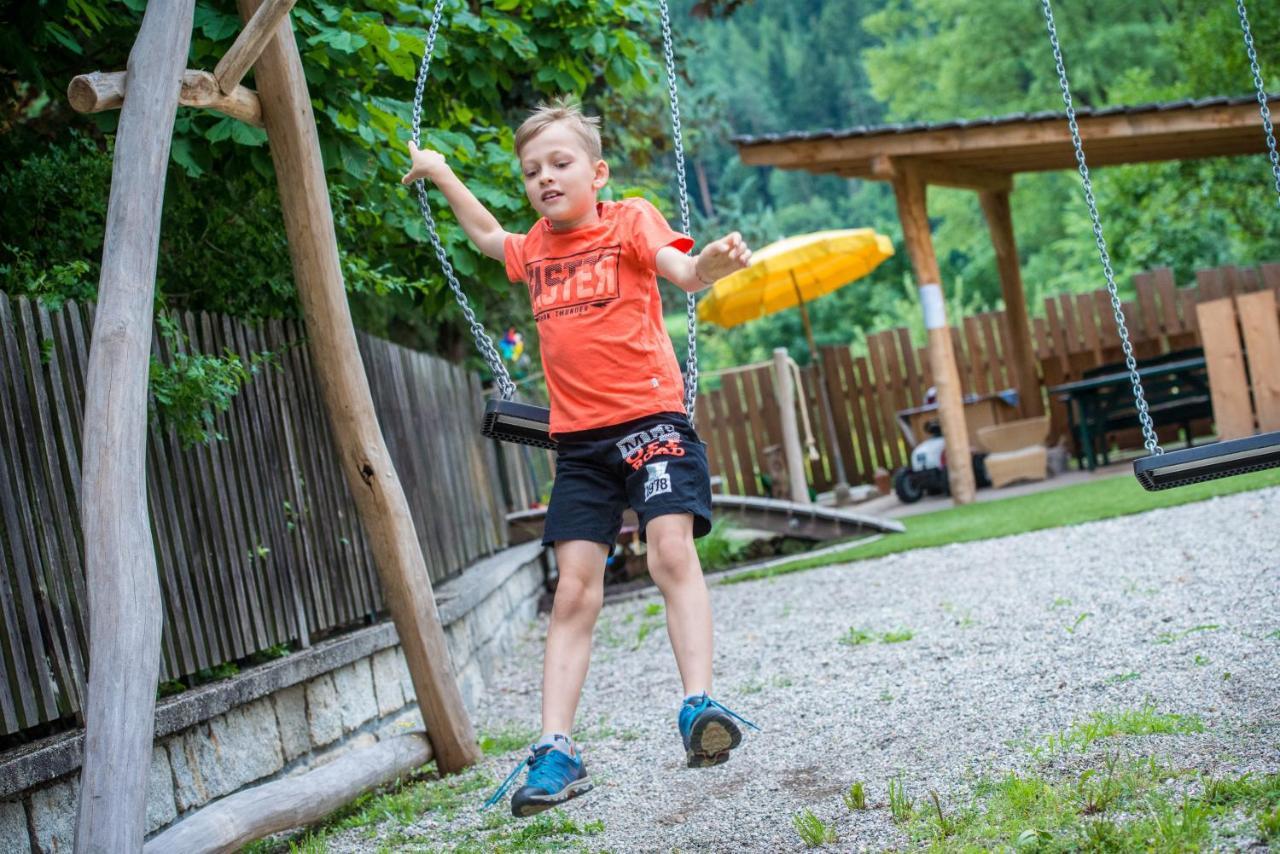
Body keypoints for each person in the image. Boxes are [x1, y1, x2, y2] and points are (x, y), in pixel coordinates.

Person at [402, 97, 757, 818]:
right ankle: (556, 749)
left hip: (652, 421)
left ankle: (698, 706)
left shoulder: (629, 220)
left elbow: (680, 273)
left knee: (667, 551)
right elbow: (483, 233)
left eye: (560, 163)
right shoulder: (533, 247)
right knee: (572, 591)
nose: (545, 178)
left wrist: (710, 265)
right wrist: (438, 170)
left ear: (596, 173)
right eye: (532, 170)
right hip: (582, 447)